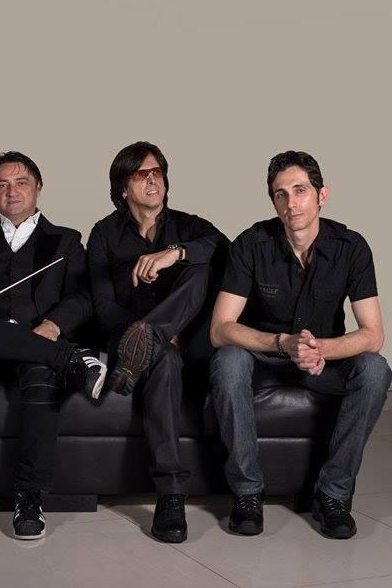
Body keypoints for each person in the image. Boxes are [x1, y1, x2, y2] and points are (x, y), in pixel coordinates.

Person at [208, 150, 390, 539]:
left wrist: (320, 349)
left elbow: (373, 334)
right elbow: (220, 329)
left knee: (375, 369)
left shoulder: (351, 247)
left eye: (300, 190)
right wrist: (282, 343)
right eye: (281, 194)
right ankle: (247, 494)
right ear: (273, 201)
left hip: (323, 363)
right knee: (228, 362)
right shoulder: (250, 245)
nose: (291, 203)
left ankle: (333, 495)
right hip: (265, 359)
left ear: (322, 195)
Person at [0, 151, 104, 539]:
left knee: (41, 377)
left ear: (38, 188)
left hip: (37, 347)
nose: (11, 191)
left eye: (21, 182)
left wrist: (53, 324)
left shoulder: (66, 241)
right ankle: (71, 359)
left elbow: (84, 298)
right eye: (2, 184)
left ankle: (29, 498)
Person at [87, 141, 228, 543]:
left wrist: (175, 253)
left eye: (157, 172)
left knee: (199, 267)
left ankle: (151, 335)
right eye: (141, 174)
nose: (152, 180)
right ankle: (171, 494)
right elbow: (103, 308)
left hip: (187, 339)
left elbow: (224, 250)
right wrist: (151, 335)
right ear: (122, 187)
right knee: (163, 358)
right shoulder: (104, 234)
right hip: (128, 341)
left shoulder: (189, 226)